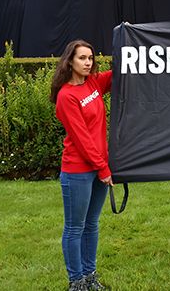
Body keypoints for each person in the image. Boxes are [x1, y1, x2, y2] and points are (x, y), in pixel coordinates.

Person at [51, 39, 114, 291]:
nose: (88, 62)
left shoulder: (93, 83)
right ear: (70, 61)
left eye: (90, 58)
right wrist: (103, 168)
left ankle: (90, 277)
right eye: (82, 58)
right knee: (75, 227)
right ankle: (76, 282)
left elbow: (122, 70)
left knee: (92, 224)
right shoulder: (66, 96)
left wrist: (129, 38)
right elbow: (82, 139)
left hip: (98, 166)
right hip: (78, 170)